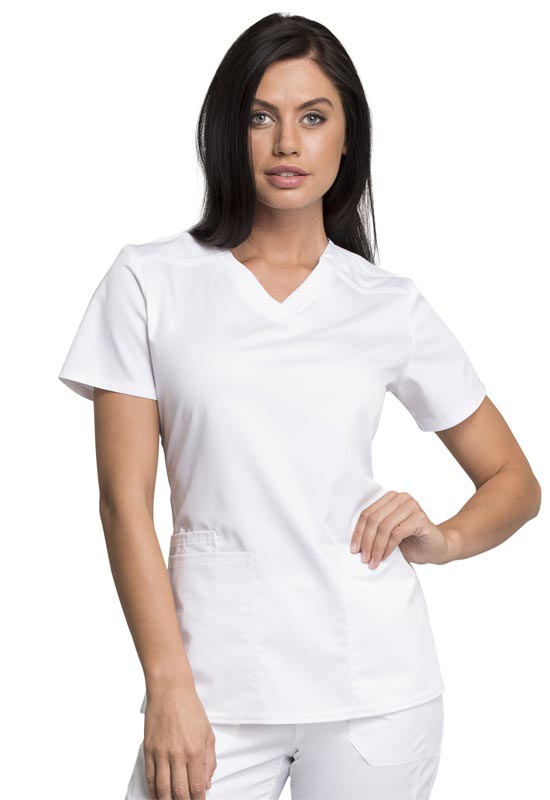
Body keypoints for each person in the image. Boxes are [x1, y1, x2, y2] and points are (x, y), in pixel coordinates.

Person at [57, 12, 541, 800]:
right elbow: (122, 503)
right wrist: (168, 685)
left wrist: (446, 538)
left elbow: (515, 482)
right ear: (227, 131)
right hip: (211, 688)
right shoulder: (149, 282)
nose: (287, 143)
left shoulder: (386, 303)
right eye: (261, 117)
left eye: (313, 118)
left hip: (377, 690)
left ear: (347, 140)